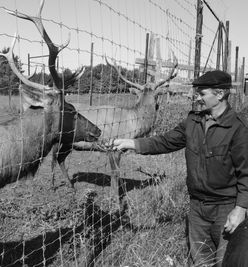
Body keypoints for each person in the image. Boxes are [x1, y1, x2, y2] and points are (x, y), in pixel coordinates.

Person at [106, 70, 248, 266]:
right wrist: (132, 143)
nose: (195, 97)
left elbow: (246, 173)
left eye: (201, 93)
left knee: (226, 261)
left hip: (225, 208)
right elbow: (165, 142)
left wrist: (240, 209)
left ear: (220, 94)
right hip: (197, 207)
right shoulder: (194, 120)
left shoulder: (239, 129)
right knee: (200, 261)